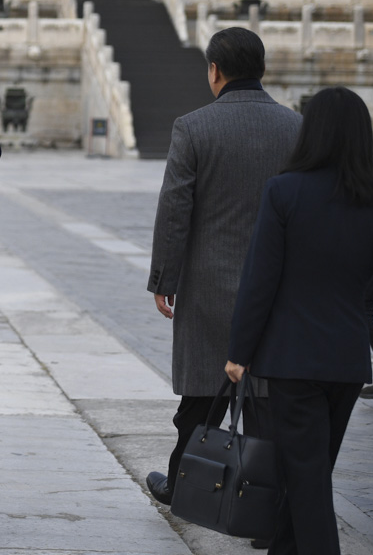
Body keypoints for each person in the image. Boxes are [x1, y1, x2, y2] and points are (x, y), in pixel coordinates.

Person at [145, 27, 301, 520]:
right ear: (260, 69)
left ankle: (183, 479)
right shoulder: (296, 128)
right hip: (276, 288)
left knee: (200, 395)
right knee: (267, 398)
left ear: (214, 70)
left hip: (208, 284)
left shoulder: (193, 127)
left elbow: (176, 209)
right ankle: (265, 497)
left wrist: (164, 278)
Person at [226, 87, 373, 555]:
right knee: (312, 470)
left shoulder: (285, 191)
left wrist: (239, 351)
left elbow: (260, 280)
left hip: (293, 357)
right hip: (348, 360)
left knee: (308, 478)